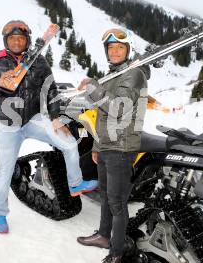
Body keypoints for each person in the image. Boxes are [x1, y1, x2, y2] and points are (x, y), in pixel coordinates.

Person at [0, 20, 98, 234]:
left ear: (27, 40)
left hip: (34, 118)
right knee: (5, 170)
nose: (17, 41)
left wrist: (55, 118)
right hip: (9, 124)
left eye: (21, 38)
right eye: (13, 38)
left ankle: (75, 184)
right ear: (6, 41)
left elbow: (51, 91)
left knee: (69, 143)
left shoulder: (39, 61)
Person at [76, 28, 150, 263]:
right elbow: (101, 114)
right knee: (106, 197)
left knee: (117, 203)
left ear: (127, 50)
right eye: (111, 48)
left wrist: (93, 87)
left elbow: (118, 109)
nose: (115, 51)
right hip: (107, 146)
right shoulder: (113, 75)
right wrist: (97, 147)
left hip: (122, 147)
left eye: (119, 47)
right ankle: (103, 236)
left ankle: (116, 254)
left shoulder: (134, 74)